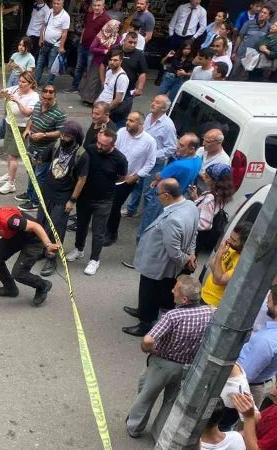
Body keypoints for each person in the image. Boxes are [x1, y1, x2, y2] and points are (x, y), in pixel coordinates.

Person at [125, 275, 213, 439]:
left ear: (185, 299)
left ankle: (135, 427)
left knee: (146, 395)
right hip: (186, 367)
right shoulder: (207, 312)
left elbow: (148, 339)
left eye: (176, 289)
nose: (172, 291)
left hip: (162, 365)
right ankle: (159, 434)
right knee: (171, 401)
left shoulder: (172, 316)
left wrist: (149, 349)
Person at [122, 178, 199, 337]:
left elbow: (173, 251)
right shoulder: (190, 206)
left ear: (166, 195)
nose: (156, 197)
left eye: (157, 194)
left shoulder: (173, 219)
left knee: (149, 292)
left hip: (158, 263)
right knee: (153, 293)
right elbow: (194, 233)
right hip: (164, 262)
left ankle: (145, 323)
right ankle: (143, 310)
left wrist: (187, 259)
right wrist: (191, 254)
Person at [0, 199, 60, 306]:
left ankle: (43, 285)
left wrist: (48, 244)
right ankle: (10, 289)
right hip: (14, 236)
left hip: (33, 240)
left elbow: (36, 227)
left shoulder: (9, 220)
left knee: (19, 273)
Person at [66, 128, 127, 275]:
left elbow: (122, 177)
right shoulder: (90, 150)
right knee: (81, 226)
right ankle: (79, 249)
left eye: (104, 145)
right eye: (99, 143)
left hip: (104, 200)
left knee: (98, 232)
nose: (99, 146)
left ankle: (94, 260)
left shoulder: (120, 159)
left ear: (112, 145)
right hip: (85, 197)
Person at [36, 121, 88, 277]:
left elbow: (82, 179)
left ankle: (51, 258)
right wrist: (35, 158)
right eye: (63, 134)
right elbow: (42, 159)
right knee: (41, 223)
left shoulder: (81, 155)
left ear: (75, 137)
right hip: (47, 192)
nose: (64, 138)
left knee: (56, 229)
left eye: (67, 136)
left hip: (63, 197)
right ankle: (42, 249)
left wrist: (72, 200)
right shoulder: (57, 144)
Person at [132, 125, 195, 246]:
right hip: (174, 200)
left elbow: (159, 176)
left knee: (148, 224)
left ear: (191, 149)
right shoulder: (197, 161)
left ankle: (139, 251)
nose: (177, 146)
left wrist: (157, 178)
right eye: (178, 142)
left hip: (161, 197)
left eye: (182, 145)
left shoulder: (179, 165)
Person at [105, 111, 157, 247]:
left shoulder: (149, 141)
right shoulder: (121, 132)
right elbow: (113, 148)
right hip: (110, 175)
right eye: (127, 119)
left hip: (127, 180)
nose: (127, 122)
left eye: (132, 121)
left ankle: (111, 233)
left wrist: (136, 176)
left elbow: (150, 162)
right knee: (103, 200)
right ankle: (101, 225)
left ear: (141, 124)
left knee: (114, 206)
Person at [123, 95, 177, 221]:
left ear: (164, 108)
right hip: (141, 161)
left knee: (148, 192)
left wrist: (152, 154)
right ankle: (131, 209)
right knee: (136, 186)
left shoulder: (168, 126)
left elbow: (171, 148)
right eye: (153, 100)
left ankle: (148, 218)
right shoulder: (147, 118)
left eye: (157, 103)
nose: (153, 103)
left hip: (154, 165)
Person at [15, 84, 67, 212]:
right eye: (44, 98)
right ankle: (29, 194)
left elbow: (61, 133)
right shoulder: (38, 105)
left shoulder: (59, 113)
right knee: (30, 172)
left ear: (55, 97)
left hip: (45, 151)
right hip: (32, 147)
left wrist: (43, 134)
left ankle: (35, 202)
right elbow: (32, 119)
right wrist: (27, 129)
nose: (46, 101)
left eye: (49, 99)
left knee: (39, 176)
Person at [0, 72, 40, 195]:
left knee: (13, 156)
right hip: (10, 123)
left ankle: (11, 183)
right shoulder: (15, 88)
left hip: (21, 128)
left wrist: (18, 101)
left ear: (31, 84)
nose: (20, 84)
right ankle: (9, 173)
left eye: (24, 82)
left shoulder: (34, 96)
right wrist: (1, 93)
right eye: (20, 81)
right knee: (9, 152)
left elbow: (27, 113)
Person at [237, 282, 277, 409]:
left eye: (269, 301)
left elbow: (244, 375)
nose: (267, 304)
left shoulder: (266, 341)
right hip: (262, 382)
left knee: (227, 422)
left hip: (247, 388)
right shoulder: (269, 333)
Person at [199, 221, 252, 307]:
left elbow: (217, 280)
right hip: (204, 293)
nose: (229, 241)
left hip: (213, 304)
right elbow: (212, 264)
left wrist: (219, 257)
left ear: (244, 244)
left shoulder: (242, 263)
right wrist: (219, 254)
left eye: (234, 240)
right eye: (230, 237)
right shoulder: (232, 248)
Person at [0, 37, 37, 140]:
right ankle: (5, 127)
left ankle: (3, 131)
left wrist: (19, 67)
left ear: (28, 47)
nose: (21, 47)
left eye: (23, 46)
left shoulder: (30, 58)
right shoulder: (15, 55)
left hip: (22, 79)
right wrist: (10, 65)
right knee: (7, 101)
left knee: (15, 103)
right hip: (13, 78)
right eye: (19, 45)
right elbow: (8, 68)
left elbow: (28, 75)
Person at [102, 32, 148, 128]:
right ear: (124, 41)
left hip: (127, 91)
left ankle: (119, 134)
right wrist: (103, 82)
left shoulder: (139, 54)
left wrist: (139, 88)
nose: (132, 45)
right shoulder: (115, 50)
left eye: (135, 43)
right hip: (111, 89)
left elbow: (142, 73)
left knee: (121, 114)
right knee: (105, 112)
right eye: (130, 42)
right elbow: (103, 65)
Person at [64, 0, 109, 93]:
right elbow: (85, 27)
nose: (96, 7)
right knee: (79, 67)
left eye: (98, 5)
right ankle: (75, 86)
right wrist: (81, 40)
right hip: (83, 45)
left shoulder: (106, 19)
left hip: (93, 49)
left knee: (89, 70)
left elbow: (106, 36)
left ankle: (86, 90)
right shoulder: (89, 14)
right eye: (94, 5)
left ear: (103, 6)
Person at [188, 163, 235, 252]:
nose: (203, 176)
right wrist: (196, 198)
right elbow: (209, 211)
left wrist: (186, 225)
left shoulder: (210, 197)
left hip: (193, 240)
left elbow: (204, 225)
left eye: (207, 176)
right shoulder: (221, 195)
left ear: (215, 181)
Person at [79, 19, 121, 105]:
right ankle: (88, 99)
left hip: (109, 64)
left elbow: (118, 49)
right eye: (116, 27)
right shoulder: (100, 36)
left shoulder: (117, 39)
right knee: (93, 80)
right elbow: (92, 48)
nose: (117, 30)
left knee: (104, 82)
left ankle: (99, 100)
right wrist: (104, 51)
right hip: (97, 62)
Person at [34, 0, 70, 85]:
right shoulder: (49, 11)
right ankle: (36, 81)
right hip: (45, 42)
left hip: (56, 44)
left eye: (58, 4)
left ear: (62, 4)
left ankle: (48, 84)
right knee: (40, 63)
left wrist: (61, 46)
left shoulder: (65, 16)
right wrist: (41, 39)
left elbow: (65, 33)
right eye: (54, 3)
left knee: (52, 66)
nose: (56, 5)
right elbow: (44, 25)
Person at [96, 49, 128, 120]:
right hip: (100, 108)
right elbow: (106, 90)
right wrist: (97, 102)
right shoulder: (109, 71)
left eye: (115, 60)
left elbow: (118, 100)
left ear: (121, 61)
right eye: (110, 60)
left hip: (108, 112)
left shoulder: (122, 78)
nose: (112, 62)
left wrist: (105, 111)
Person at [0, 0, 20, 71]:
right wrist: (12, 9)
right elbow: (0, 12)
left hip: (14, 27)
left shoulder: (20, 2)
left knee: (9, 46)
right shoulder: (4, 1)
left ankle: (6, 63)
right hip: (4, 26)